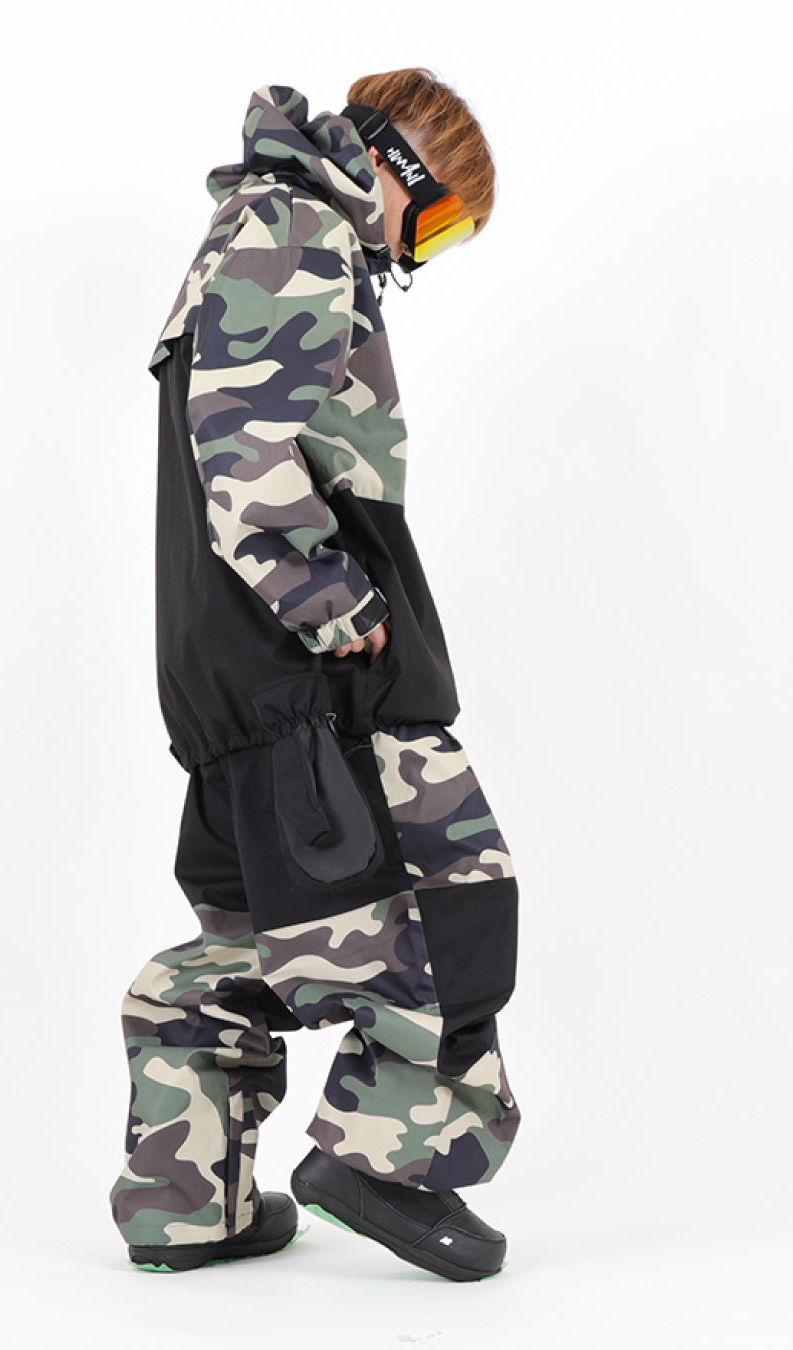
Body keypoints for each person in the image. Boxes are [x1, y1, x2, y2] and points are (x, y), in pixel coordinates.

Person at [108, 68, 521, 1283]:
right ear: (395, 167)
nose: (416, 253)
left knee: (277, 942)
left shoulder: (250, 230)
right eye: (435, 223)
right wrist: (336, 606)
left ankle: (189, 1202)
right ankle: (390, 1166)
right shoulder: (298, 227)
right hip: (314, 673)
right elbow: (242, 443)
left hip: (236, 676)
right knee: (449, 899)